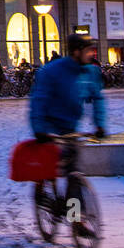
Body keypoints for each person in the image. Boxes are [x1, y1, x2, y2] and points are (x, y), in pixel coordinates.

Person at [29, 35, 105, 223]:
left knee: (73, 173)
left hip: (70, 126)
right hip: (49, 125)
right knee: (51, 165)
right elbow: (38, 101)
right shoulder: (51, 72)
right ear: (76, 51)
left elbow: (98, 99)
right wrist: (39, 129)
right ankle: (45, 196)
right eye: (88, 50)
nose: (91, 54)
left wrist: (100, 125)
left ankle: (75, 219)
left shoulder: (90, 72)